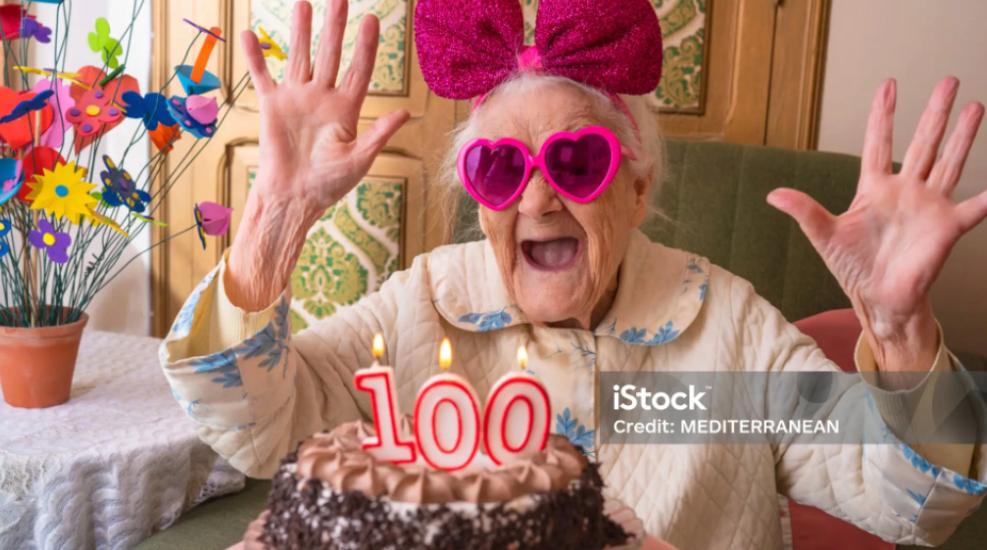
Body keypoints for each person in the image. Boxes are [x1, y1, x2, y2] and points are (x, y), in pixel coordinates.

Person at [161, 1, 987, 547]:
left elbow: (916, 504)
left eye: (577, 159)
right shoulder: (422, 301)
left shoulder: (726, 326)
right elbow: (258, 431)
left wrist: (900, 330)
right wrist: (269, 227)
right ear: (479, 200)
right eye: (499, 168)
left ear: (635, 188)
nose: (537, 195)